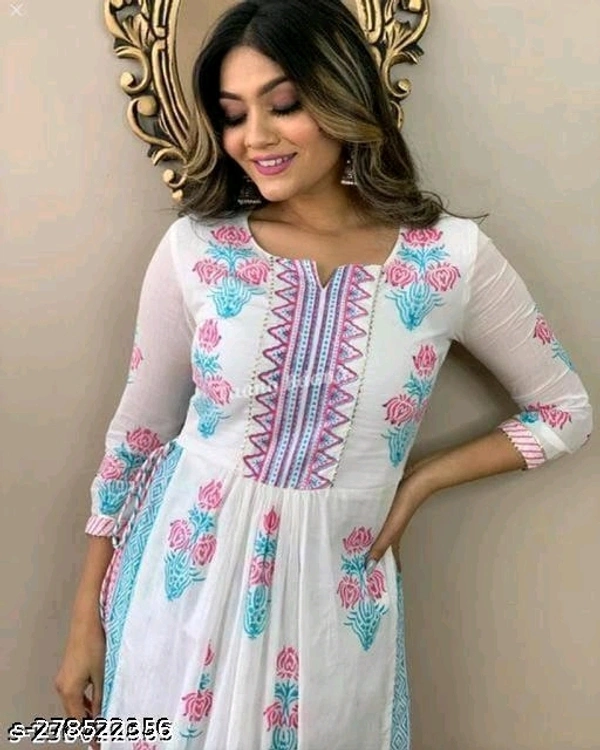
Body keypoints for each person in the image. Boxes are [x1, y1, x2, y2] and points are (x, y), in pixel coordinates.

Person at [55, 0, 593, 748]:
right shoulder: (196, 250)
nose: (255, 137)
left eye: (283, 105)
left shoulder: (449, 259)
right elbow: (138, 437)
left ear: (342, 97)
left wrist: (420, 481)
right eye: (234, 114)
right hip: (180, 589)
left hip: (333, 605)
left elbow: (565, 410)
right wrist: (84, 621)